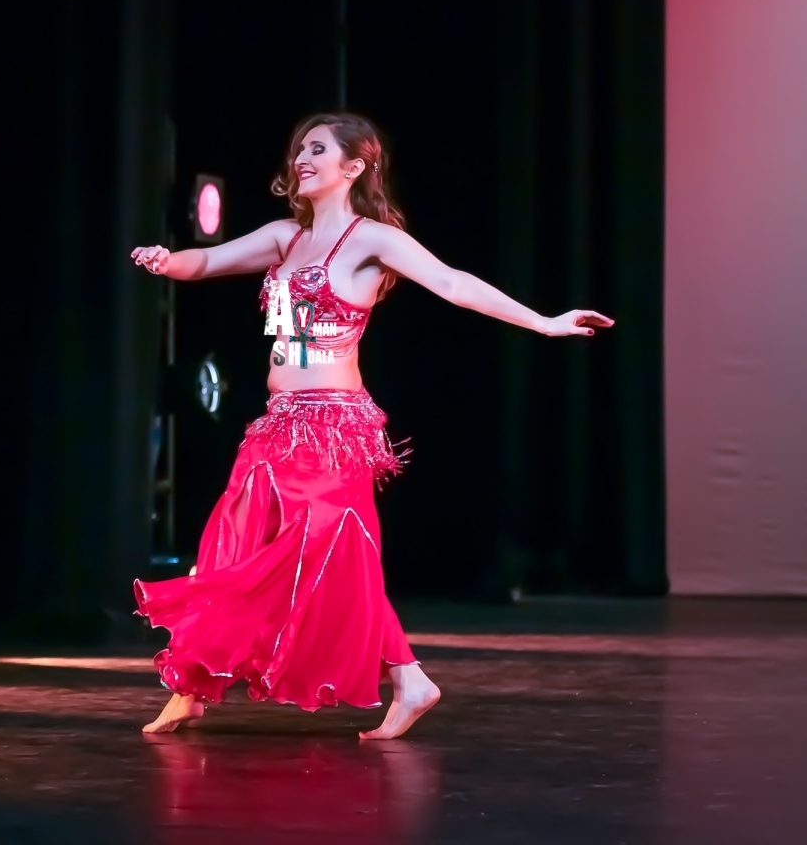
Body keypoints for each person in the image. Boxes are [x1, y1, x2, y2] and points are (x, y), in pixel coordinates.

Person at [129, 112, 613, 739]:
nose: (303, 159)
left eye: (318, 149)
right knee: (233, 543)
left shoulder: (373, 240)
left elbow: (453, 283)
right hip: (278, 424)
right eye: (300, 149)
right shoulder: (285, 237)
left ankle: (409, 679)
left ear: (354, 166)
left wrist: (544, 322)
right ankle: (193, 686)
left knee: (330, 557)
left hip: (335, 428)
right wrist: (166, 260)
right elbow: (207, 262)